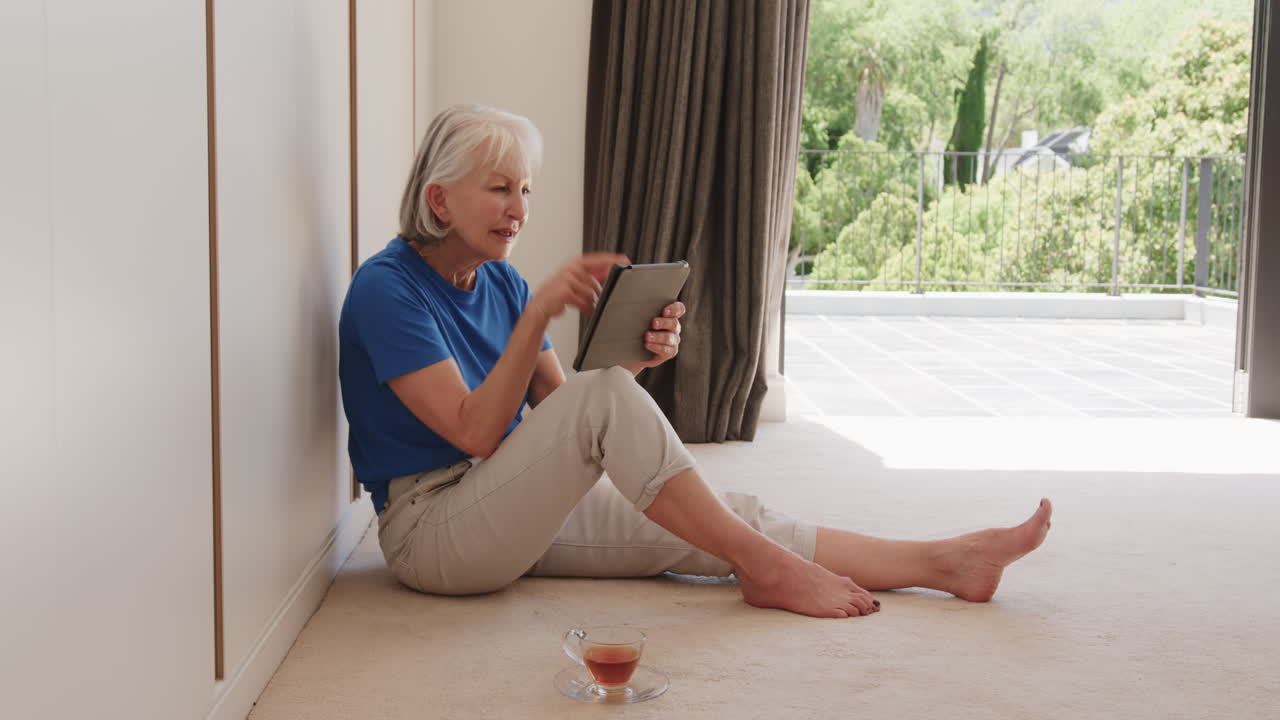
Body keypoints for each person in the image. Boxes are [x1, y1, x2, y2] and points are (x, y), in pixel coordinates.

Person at [338, 104, 1052, 619]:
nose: (518, 208)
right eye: (499, 188)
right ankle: (768, 570)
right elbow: (474, 433)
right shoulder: (385, 289)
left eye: (525, 189)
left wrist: (637, 360)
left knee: (714, 519)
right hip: (434, 535)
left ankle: (944, 562)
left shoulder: (499, 280)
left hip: (501, 506)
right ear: (439, 197)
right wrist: (537, 319)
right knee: (640, 436)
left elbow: (564, 420)